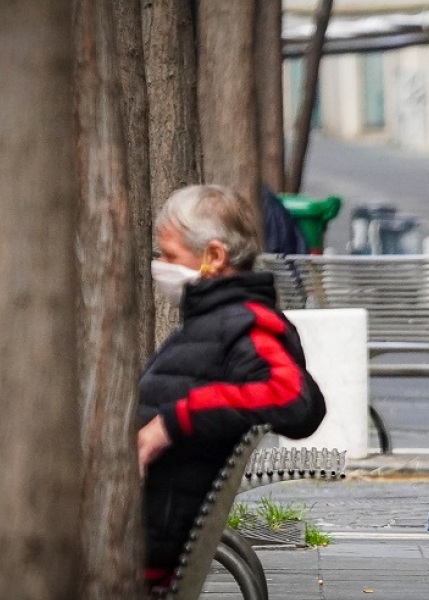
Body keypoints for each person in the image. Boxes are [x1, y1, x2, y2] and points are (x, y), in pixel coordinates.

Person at [136, 184, 326, 591]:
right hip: (150, 529)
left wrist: (172, 421)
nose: (160, 266)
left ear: (215, 256)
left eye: (170, 256)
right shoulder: (215, 323)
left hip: (148, 548)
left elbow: (294, 398)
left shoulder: (246, 324)